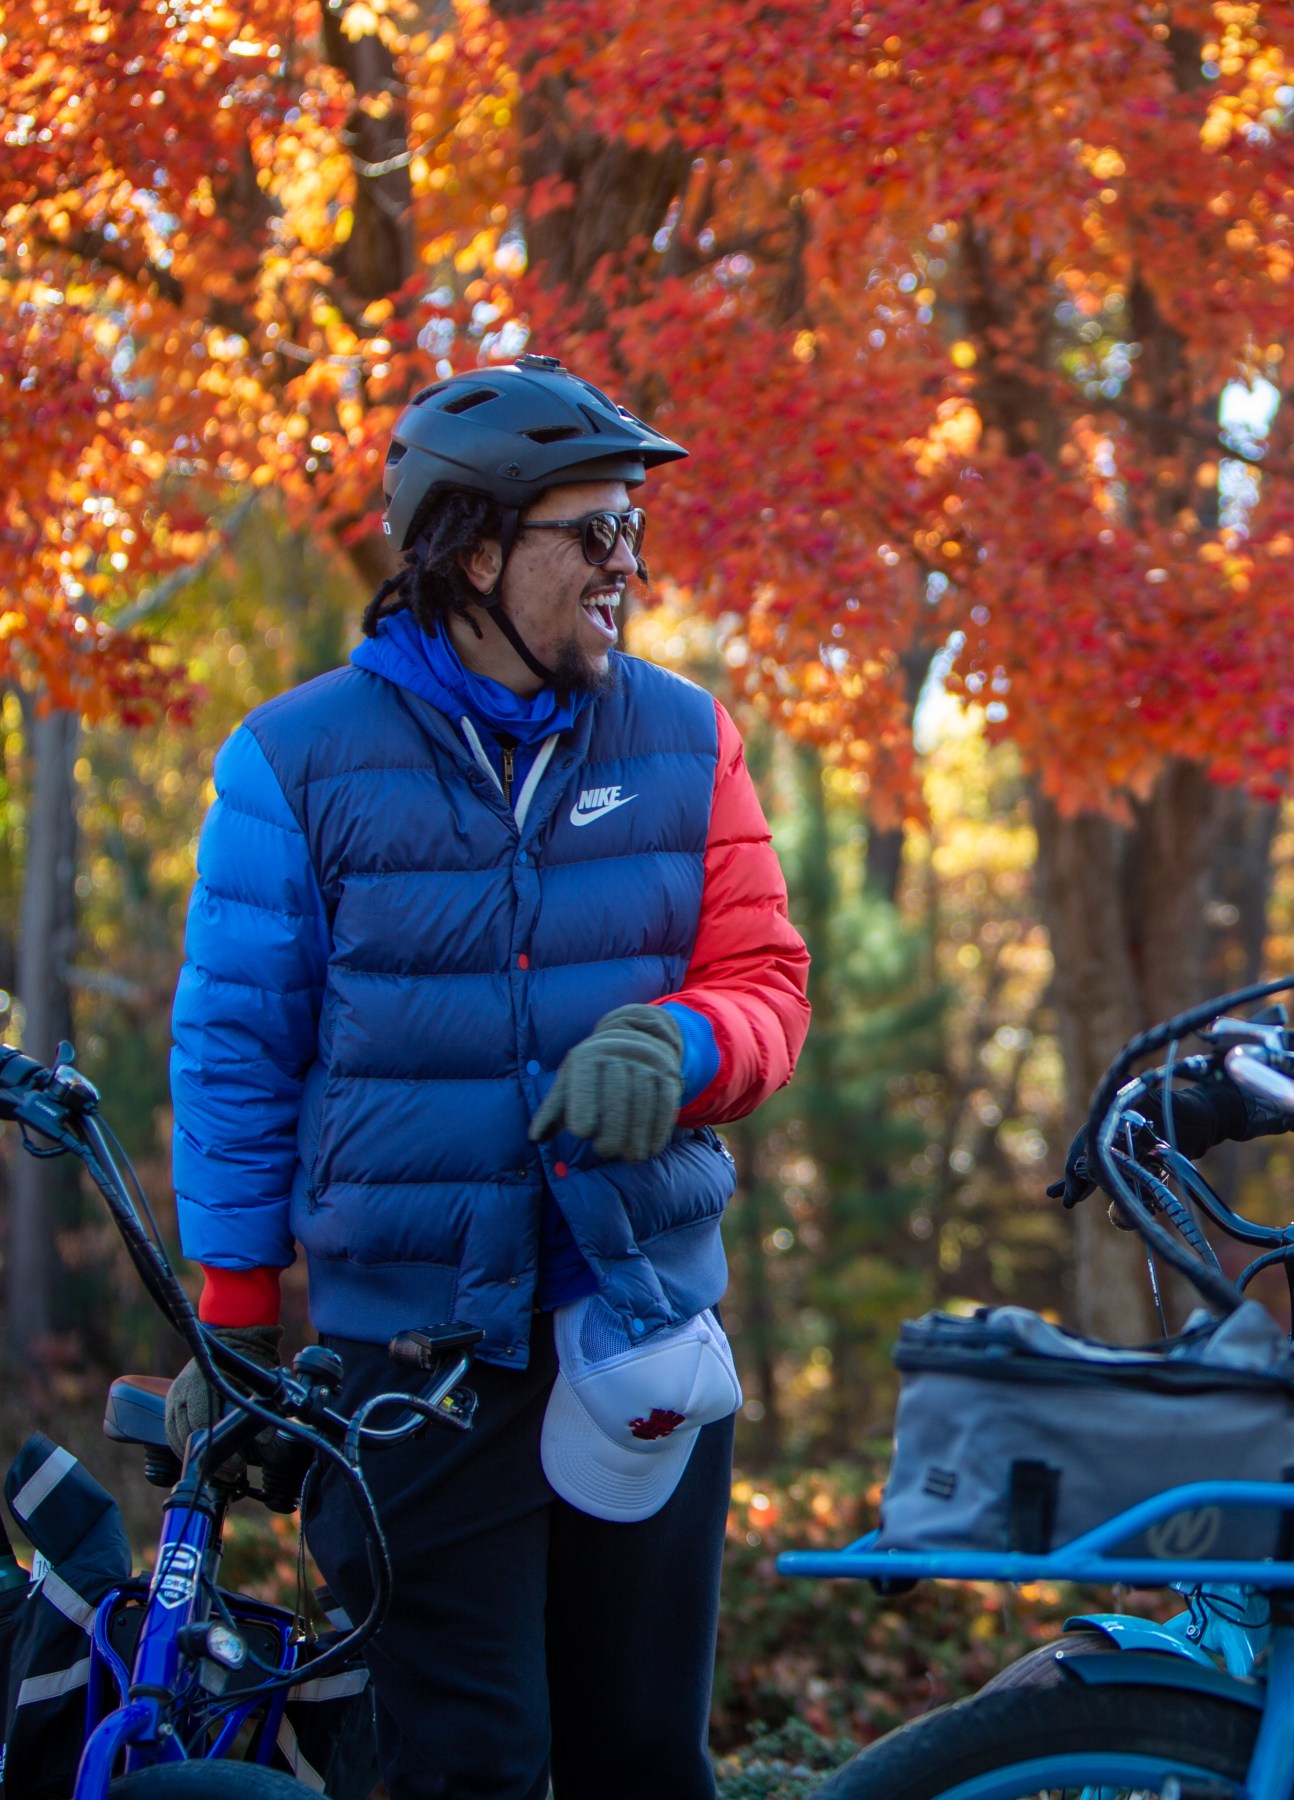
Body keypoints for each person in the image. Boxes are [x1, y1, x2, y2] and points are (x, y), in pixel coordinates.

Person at [167, 355, 813, 1800]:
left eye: (632, 528)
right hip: (411, 1365)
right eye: (590, 530)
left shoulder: (685, 734)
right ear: (471, 548)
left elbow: (768, 980)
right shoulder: (292, 762)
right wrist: (234, 1316)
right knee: (467, 1762)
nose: (624, 562)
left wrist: (687, 1045)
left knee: (642, 1760)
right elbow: (236, 1053)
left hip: (637, 1322)